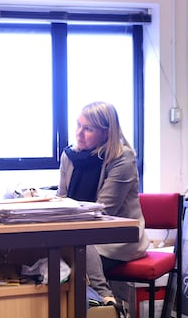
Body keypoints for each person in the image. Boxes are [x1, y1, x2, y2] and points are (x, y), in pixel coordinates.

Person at [58, 101, 150, 305]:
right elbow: (61, 198)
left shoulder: (122, 158)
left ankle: (106, 301)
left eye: (88, 129)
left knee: (78, 249)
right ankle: (100, 306)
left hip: (115, 237)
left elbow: (103, 211)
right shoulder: (69, 156)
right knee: (56, 253)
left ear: (106, 133)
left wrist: (67, 219)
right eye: (78, 125)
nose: (79, 133)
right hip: (79, 230)